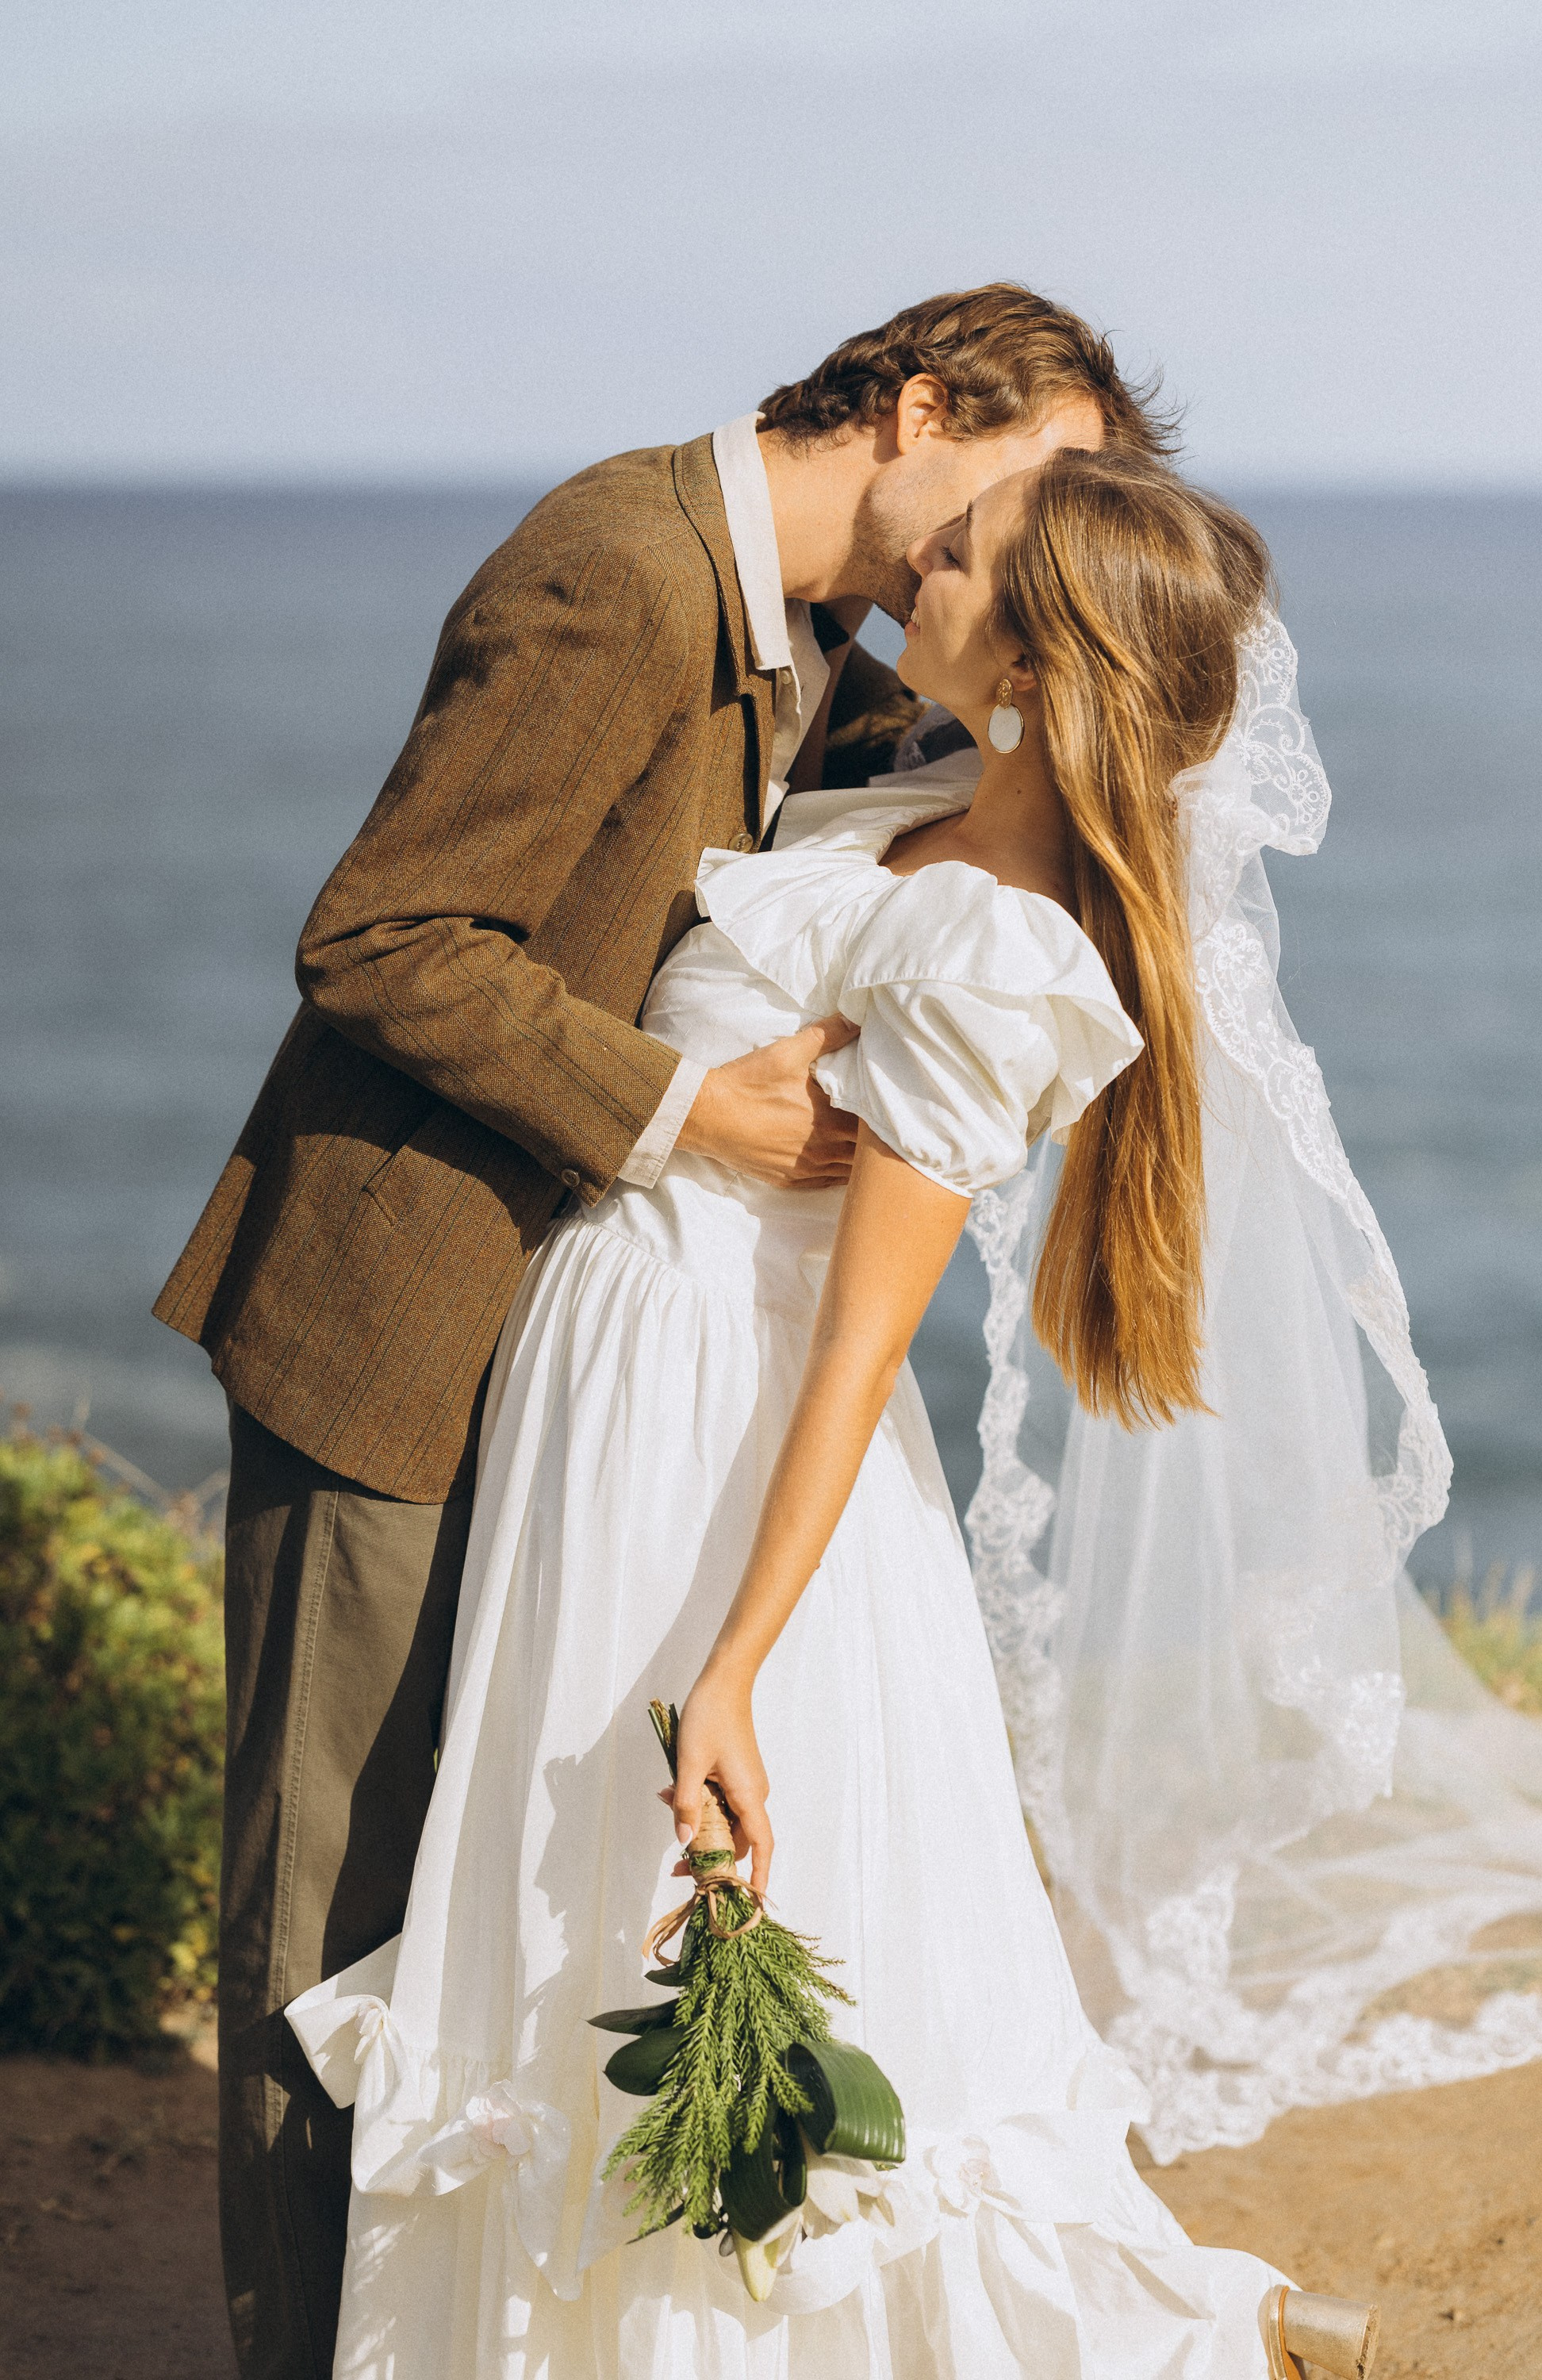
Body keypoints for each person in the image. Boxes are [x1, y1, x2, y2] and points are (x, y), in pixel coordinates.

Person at [152, 286, 1174, 2378]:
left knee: (491, 1902)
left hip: (591, 1381)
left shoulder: (841, 655)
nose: (1025, 546)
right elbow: (381, 939)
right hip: (400, 1324)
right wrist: (689, 1108)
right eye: (1025, 489)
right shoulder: (623, 570)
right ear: (918, 408)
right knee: (334, 1913)